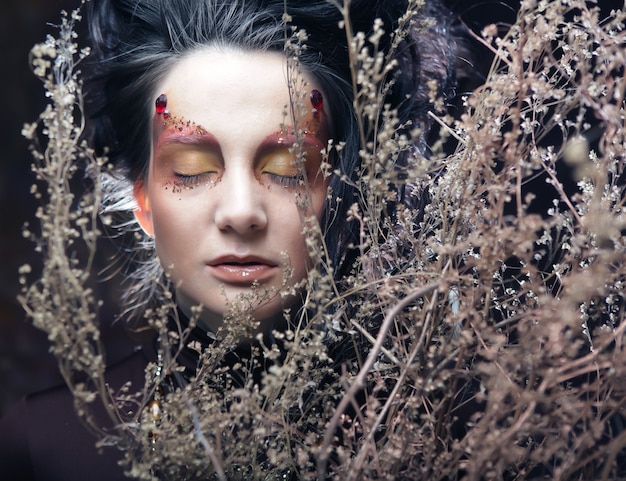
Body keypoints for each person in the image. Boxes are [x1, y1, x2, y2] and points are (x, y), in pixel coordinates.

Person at [0, 0, 460, 480]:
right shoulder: (45, 447)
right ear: (143, 199)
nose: (241, 212)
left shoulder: (429, 432)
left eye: (289, 169)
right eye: (192, 170)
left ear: (346, 194)